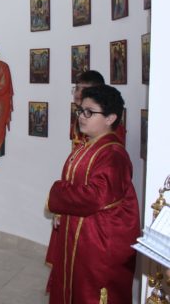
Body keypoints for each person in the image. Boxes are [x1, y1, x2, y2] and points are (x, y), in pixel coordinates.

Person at [46, 85, 140, 303]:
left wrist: (56, 194)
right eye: (80, 111)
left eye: (89, 112)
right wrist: (62, 209)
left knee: (90, 293)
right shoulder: (88, 146)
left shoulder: (114, 154)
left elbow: (95, 197)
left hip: (100, 243)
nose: (81, 116)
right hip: (80, 235)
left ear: (110, 118)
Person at [71, 70, 125, 148]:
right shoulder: (80, 117)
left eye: (84, 89)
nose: (78, 93)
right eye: (76, 88)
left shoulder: (110, 127)